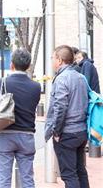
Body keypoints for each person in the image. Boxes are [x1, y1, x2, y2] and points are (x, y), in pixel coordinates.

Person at [0, 49, 41, 188]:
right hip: (27, 136)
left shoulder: (2, 83)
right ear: (28, 66)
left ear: (11, 65)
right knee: (27, 179)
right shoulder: (36, 86)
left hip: (5, 134)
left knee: (4, 180)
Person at [45, 45, 90, 188]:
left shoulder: (61, 79)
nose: (51, 61)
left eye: (53, 58)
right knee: (80, 171)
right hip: (81, 131)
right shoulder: (81, 77)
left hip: (67, 133)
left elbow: (60, 107)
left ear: (60, 60)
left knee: (69, 175)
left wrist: (56, 131)